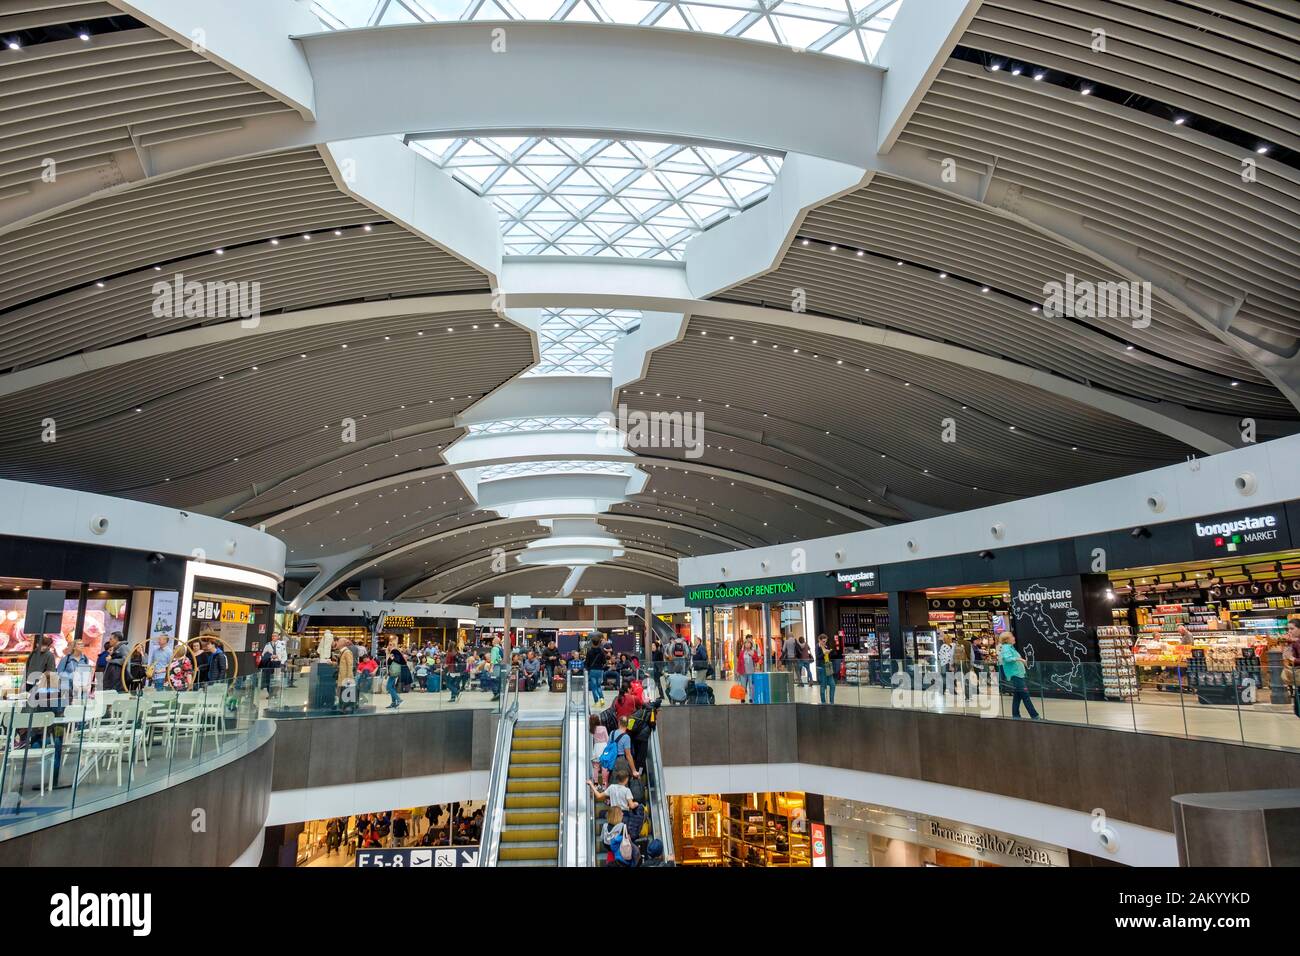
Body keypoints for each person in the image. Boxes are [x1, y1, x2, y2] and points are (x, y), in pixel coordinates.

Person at [999, 633, 1039, 719]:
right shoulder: (1006, 648)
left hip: (1018, 674)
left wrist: (1022, 662)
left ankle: (1016, 716)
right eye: (1012, 637)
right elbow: (1007, 658)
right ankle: (1035, 716)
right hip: (1015, 675)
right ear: (1007, 639)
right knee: (1025, 695)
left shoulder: (1010, 648)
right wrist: (1020, 659)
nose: (1014, 638)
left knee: (1017, 696)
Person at [56, 636, 93, 703]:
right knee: (65, 709)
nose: (81, 645)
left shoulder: (85, 659)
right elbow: (59, 673)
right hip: (67, 689)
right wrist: (71, 676)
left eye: (82, 644)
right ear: (74, 647)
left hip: (79, 690)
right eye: (79, 644)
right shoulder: (66, 659)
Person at [735, 634, 760, 702]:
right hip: (743, 672)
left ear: (751, 645)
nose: (747, 644)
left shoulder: (753, 651)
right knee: (743, 686)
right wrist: (737, 671)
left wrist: (753, 655)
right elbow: (739, 662)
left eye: (749, 643)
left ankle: (751, 698)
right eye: (746, 643)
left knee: (751, 686)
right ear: (744, 644)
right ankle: (742, 698)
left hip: (751, 672)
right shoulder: (742, 652)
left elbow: (757, 660)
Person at [336, 636, 357, 713]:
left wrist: (348, 679)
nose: (336, 643)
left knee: (346, 695)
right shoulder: (342, 652)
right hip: (342, 677)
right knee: (341, 694)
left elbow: (350, 665)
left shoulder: (347, 652)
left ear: (341, 644)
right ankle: (343, 708)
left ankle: (346, 709)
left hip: (345, 679)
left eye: (338, 642)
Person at [585, 636, 607, 706]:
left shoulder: (589, 652)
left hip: (592, 671)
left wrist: (587, 668)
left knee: (594, 687)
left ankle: (596, 701)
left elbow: (586, 662)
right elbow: (604, 661)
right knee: (598, 686)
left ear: (592, 643)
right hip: (600, 670)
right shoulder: (601, 651)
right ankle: (602, 699)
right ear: (599, 643)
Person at [816, 633, 837, 704]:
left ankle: (832, 702)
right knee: (823, 685)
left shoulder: (826, 646)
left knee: (833, 685)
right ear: (819, 640)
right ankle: (823, 702)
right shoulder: (817, 647)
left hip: (828, 666)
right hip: (821, 668)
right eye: (823, 641)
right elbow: (818, 657)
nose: (825, 642)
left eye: (826, 641)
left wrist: (830, 652)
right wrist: (824, 653)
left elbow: (832, 655)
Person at [385, 641, 406, 709]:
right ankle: (393, 703)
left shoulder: (394, 651)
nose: (389, 646)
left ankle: (398, 699)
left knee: (389, 687)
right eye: (389, 644)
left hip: (394, 672)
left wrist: (391, 658)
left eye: (391, 645)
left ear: (394, 646)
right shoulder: (391, 652)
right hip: (392, 672)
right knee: (392, 687)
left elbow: (397, 660)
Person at [590, 715, 610, 785]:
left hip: (596, 747)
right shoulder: (603, 728)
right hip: (604, 747)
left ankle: (595, 783)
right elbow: (607, 739)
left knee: (596, 766)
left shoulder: (592, 729)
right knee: (604, 767)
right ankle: (604, 783)